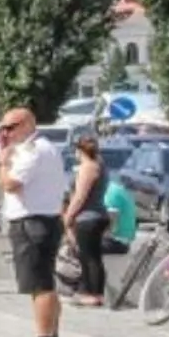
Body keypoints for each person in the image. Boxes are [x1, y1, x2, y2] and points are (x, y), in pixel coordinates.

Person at [0, 108, 69, 337]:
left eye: (10, 127)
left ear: (28, 124)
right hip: (39, 219)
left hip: (33, 222)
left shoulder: (35, 151)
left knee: (39, 284)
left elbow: (10, 184)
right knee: (43, 282)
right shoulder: (37, 149)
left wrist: (3, 163)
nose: (5, 133)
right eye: (2, 128)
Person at [59, 132, 113, 309]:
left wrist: (68, 217)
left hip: (88, 217)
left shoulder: (88, 167)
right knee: (93, 256)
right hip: (98, 215)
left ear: (79, 150)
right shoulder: (100, 164)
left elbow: (80, 196)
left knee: (88, 257)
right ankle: (95, 293)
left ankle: (91, 294)